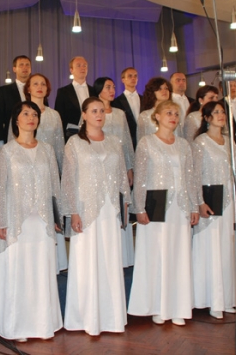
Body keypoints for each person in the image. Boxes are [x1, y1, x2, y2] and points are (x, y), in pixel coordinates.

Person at [0, 101, 63, 341]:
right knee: (18, 271)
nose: (31, 118)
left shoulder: (47, 150)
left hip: (42, 221)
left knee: (40, 270)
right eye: (26, 113)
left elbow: (55, 186)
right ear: (16, 120)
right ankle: (17, 326)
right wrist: (0, 220)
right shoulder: (7, 151)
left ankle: (42, 324)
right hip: (16, 220)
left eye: (35, 114)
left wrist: (57, 215)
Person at [61, 97, 131, 336]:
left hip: (110, 209)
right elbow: (68, 180)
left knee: (110, 260)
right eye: (94, 111)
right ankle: (85, 317)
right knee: (86, 262)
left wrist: (124, 205)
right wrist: (73, 211)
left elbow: (121, 177)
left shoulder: (114, 142)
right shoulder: (74, 142)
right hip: (86, 209)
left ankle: (111, 317)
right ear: (84, 115)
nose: (99, 114)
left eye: (102, 110)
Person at [128, 100, 201, 326]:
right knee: (157, 254)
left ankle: (178, 306)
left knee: (179, 256)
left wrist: (194, 205)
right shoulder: (146, 142)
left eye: (176, 113)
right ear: (157, 117)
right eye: (168, 112)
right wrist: (139, 207)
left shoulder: (184, 145)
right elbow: (140, 177)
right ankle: (158, 306)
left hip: (180, 207)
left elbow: (190, 177)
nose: (173, 117)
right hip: (156, 206)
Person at [190, 101, 236, 319]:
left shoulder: (230, 142)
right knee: (211, 248)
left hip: (230, 199)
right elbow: (195, 175)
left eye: (223, 112)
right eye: (215, 112)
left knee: (226, 249)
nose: (221, 115)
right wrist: (199, 202)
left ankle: (226, 299)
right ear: (207, 118)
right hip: (211, 200)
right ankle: (211, 300)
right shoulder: (200, 142)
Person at [7, 73, 67, 272]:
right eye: (35, 84)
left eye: (43, 83)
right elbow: (11, 143)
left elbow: (59, 145)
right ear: (28, 88)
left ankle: (52, 265)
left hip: (46, 171)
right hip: (22, 173)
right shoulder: (20, 112)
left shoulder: (54, 115)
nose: (40, 87)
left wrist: (60, 171)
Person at [93, 76, 135, 267]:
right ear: (99, 90)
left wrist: (129, 166)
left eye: (113, 87)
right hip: (98, 167)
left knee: (120, 203)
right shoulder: (91, 110)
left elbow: (126, 141)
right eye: (107, 87)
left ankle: (122, 257)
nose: (112, 90)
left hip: (118, 165)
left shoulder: (119, 113)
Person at [0, 55, 32, 146]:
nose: (25, 68)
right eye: (21, 65)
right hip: (11, 139)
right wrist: (0, 143)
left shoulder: (37, 90)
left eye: (27, 65)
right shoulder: (4, 91)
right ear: (14, 69)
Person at [55, 56, 94, 141]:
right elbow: (59, 117)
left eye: (84, 65)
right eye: (78, 65)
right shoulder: (63, 92)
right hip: (71, 136)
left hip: (93, 135)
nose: (82, 68)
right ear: (71, 70)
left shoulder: (94, 91)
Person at [111, 67, 143, 149]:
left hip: (143, 138)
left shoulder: (145, 99)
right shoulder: (116, 102)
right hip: (127, 141)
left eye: (135, 76)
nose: (133, 78)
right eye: (130, 76)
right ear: (123, 80)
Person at [136, 77, 174, 142]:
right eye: (159, 89)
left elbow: (179, 135)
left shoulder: (174, 113)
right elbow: (141, 141)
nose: (164, 91)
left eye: (166, 88)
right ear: (152, 92)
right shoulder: (145, 115)